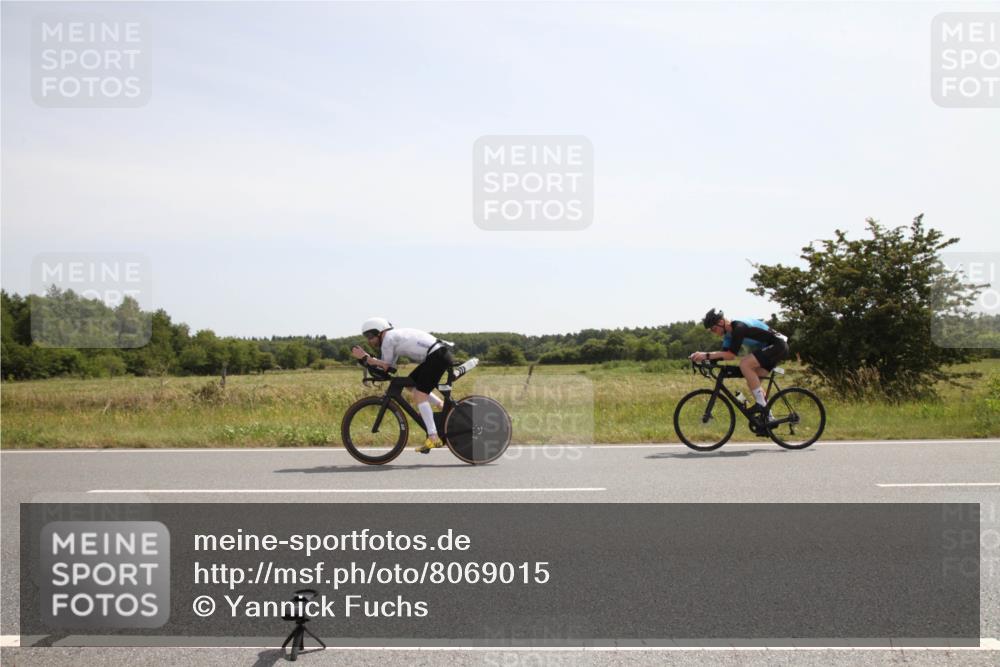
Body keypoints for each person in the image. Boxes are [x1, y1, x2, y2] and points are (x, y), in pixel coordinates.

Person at [351, 317, 454, 453]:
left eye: (370, 336)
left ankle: (433, 437)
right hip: (436, 355)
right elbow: (389, 368)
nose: (369, 341)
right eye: (366, 337)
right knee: (410, 385)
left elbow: (385, 366)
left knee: (419, 395)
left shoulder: (388, 339)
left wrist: (365, 357)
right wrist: (368, 360)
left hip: (436, 355)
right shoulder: (391, 338)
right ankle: (440, 405)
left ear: (379, 332)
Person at [690, 309, 789, 426]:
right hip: (773, 348)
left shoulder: (738, 327)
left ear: (721, 322)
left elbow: (731, 355)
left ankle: (761, 405)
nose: (713, 332)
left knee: (745, 364)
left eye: (713, 329)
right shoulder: (728, 336)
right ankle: (768, 417)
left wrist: (705, 355)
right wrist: (703, 359)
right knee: (753, 382)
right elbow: (724, 355)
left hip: (778, 345)